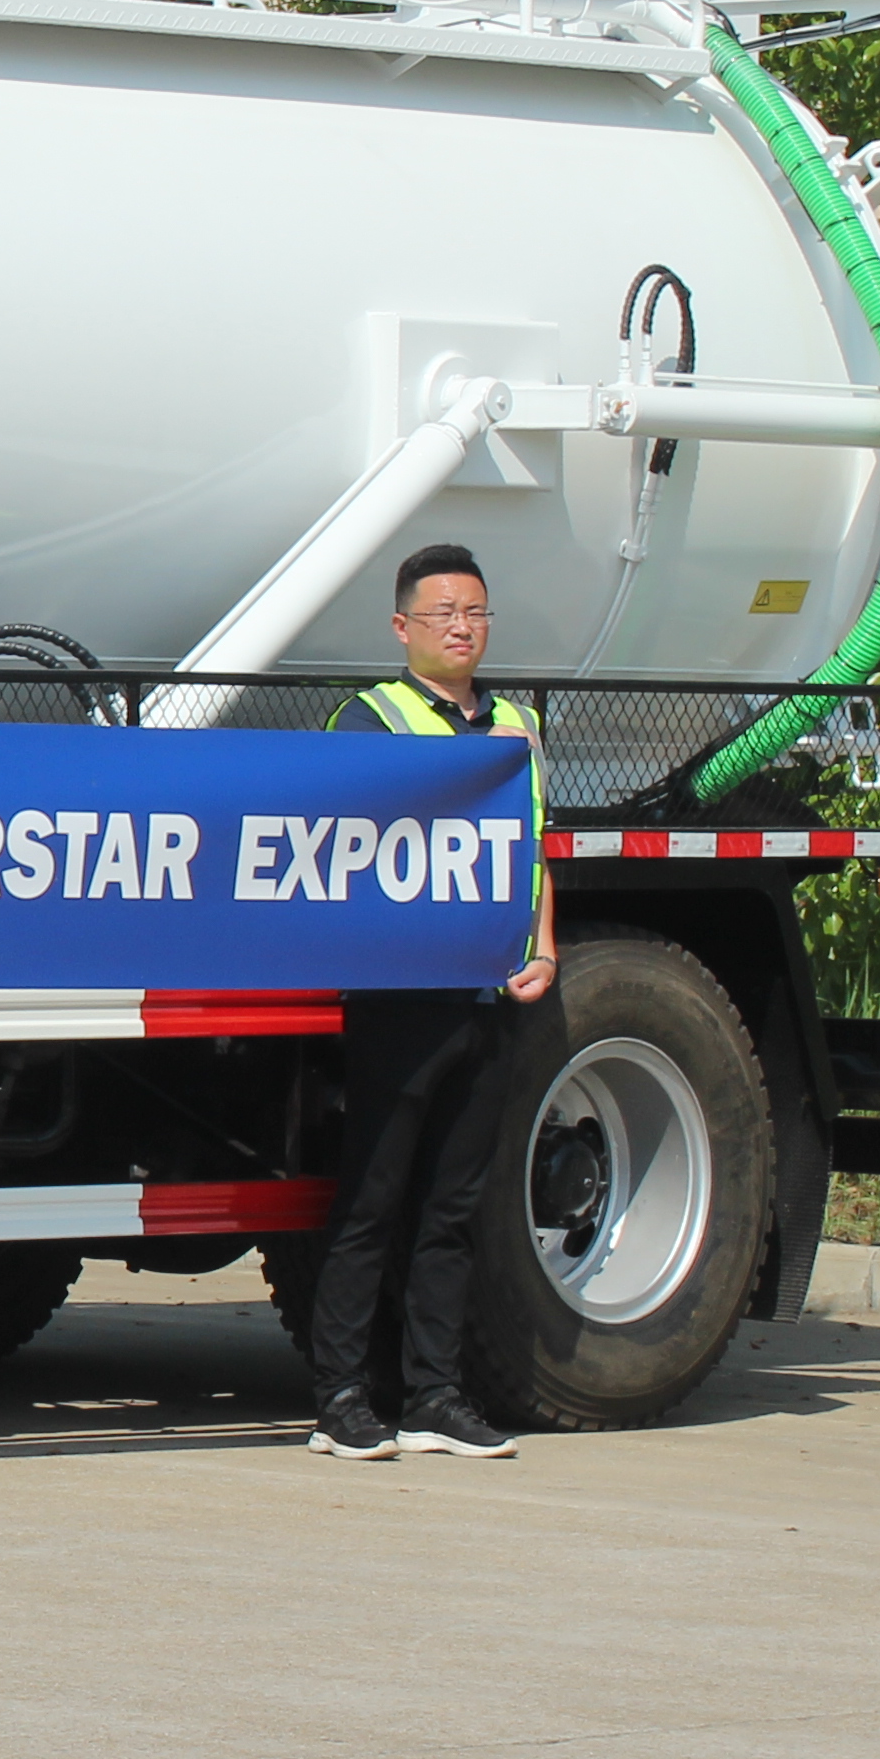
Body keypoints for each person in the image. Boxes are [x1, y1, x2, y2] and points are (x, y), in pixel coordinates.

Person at [305, 541, 557, 1463]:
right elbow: (354, 830)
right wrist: (468, 766)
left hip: (486, 993)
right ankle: (339, 1396)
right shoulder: (370, 719)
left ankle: (434, 1396)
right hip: (399, 998)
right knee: (373, 1198)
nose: (464, 627)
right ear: (403, 626)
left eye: (477, 612)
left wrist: (546, 943)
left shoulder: (517, 722)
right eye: (446, 613)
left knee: (455, 1206)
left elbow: (531, 845)